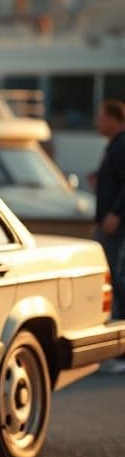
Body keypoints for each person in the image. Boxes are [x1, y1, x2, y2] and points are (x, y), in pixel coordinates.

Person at [93, 100, 125, 365]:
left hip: (115, 224)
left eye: (101, 117)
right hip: (109, 221)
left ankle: (119, 349)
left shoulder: (122, 144)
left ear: (114, 119)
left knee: (114, 279)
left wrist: (116, 212)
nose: (98, 122)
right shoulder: (115, 145)